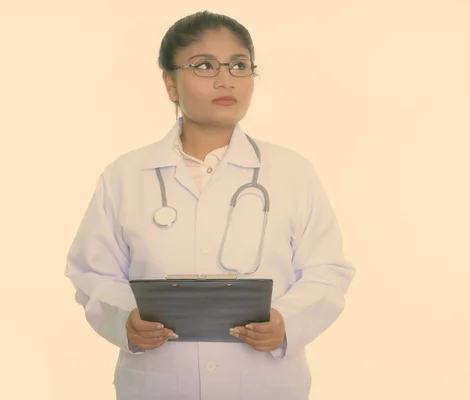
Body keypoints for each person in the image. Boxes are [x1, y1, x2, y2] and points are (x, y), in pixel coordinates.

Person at [64, 10, 355, 400]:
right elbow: (92, 272)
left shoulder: (291, 173)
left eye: (239, 66)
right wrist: (125, 320)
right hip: (158, 385)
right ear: (170, 83)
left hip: (265, 385)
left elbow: (327, 271)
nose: (225, 80)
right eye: (204, 65)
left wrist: (288, 322)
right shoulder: (125, 176)